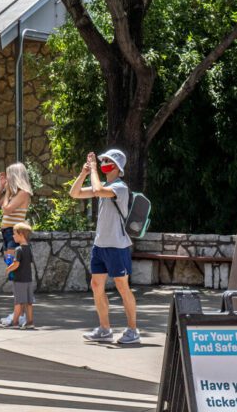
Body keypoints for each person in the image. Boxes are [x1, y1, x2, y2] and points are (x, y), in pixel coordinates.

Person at [69, 148, 139, 345]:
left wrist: (92, 169)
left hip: (117, 246)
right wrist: (84, 173)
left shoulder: (120, 187)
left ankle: (133, 330)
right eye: (102, 161)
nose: (102, 164)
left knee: (122, 287)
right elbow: (74, 193)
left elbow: (99, 190)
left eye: (107, 161)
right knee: (96, 285)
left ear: (117, 166)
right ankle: (104, 329)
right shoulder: (103, 184)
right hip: (100, 246)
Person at [0, 162, 33, 325]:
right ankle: (19, 312)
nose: (7, 178)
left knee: (16, 273)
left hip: (13, 235)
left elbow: (7, 210)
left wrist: (7, 190)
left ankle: (20, 313)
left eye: (9, 175)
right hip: (7, 234)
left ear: (15, 176)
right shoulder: (12, 193)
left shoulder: (23, 193)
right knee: (14, 274)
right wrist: (1, 187)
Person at [4, 222, 35, 329]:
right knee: (29, 302)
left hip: (19, 280)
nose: (13, 236)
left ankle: (15, 322)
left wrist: (8, 269)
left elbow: (16, 264)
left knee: (18, 302)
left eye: (15, 234)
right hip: (28, 280)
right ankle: (30, 322)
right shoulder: (29, 249)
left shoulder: (18, 249)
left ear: (21, 234)